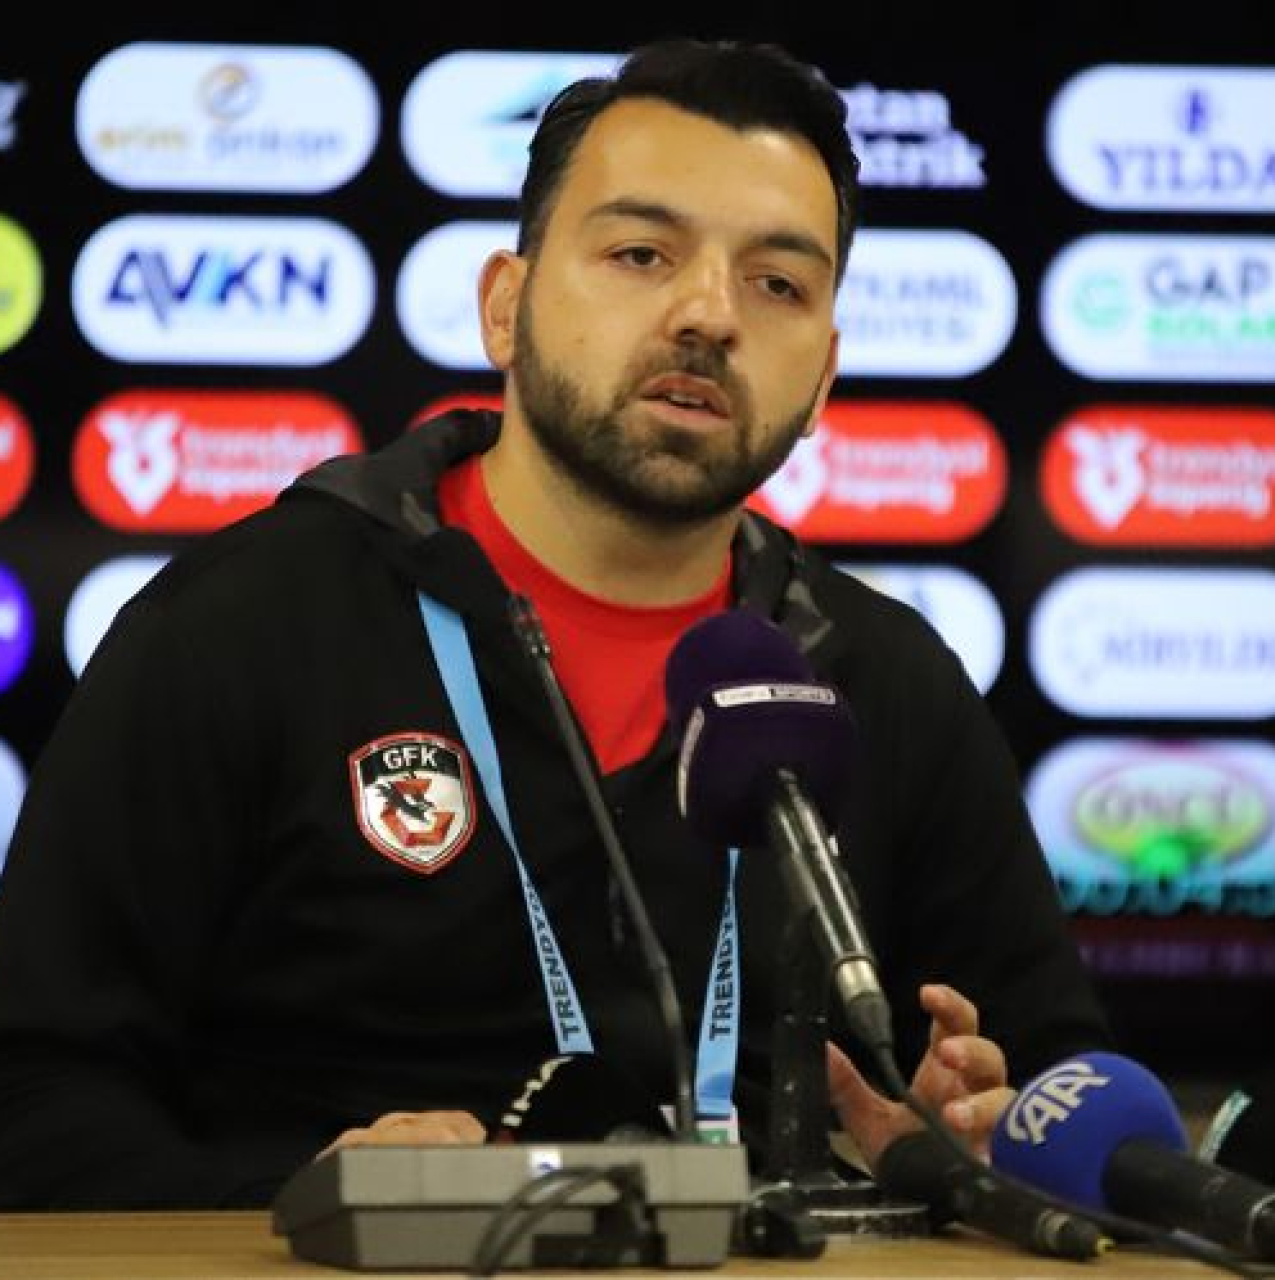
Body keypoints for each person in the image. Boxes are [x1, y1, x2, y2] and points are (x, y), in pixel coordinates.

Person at [0, 37, 1112, 1210]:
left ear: (823, 373)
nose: (708, 314)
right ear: (505, 306)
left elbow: (1059, 1086)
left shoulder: (885, 680)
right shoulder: (242, 625)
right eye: (641, 254)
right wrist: (314, 1202)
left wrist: (979, 1144)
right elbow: (29, 1096)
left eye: (776, 283)